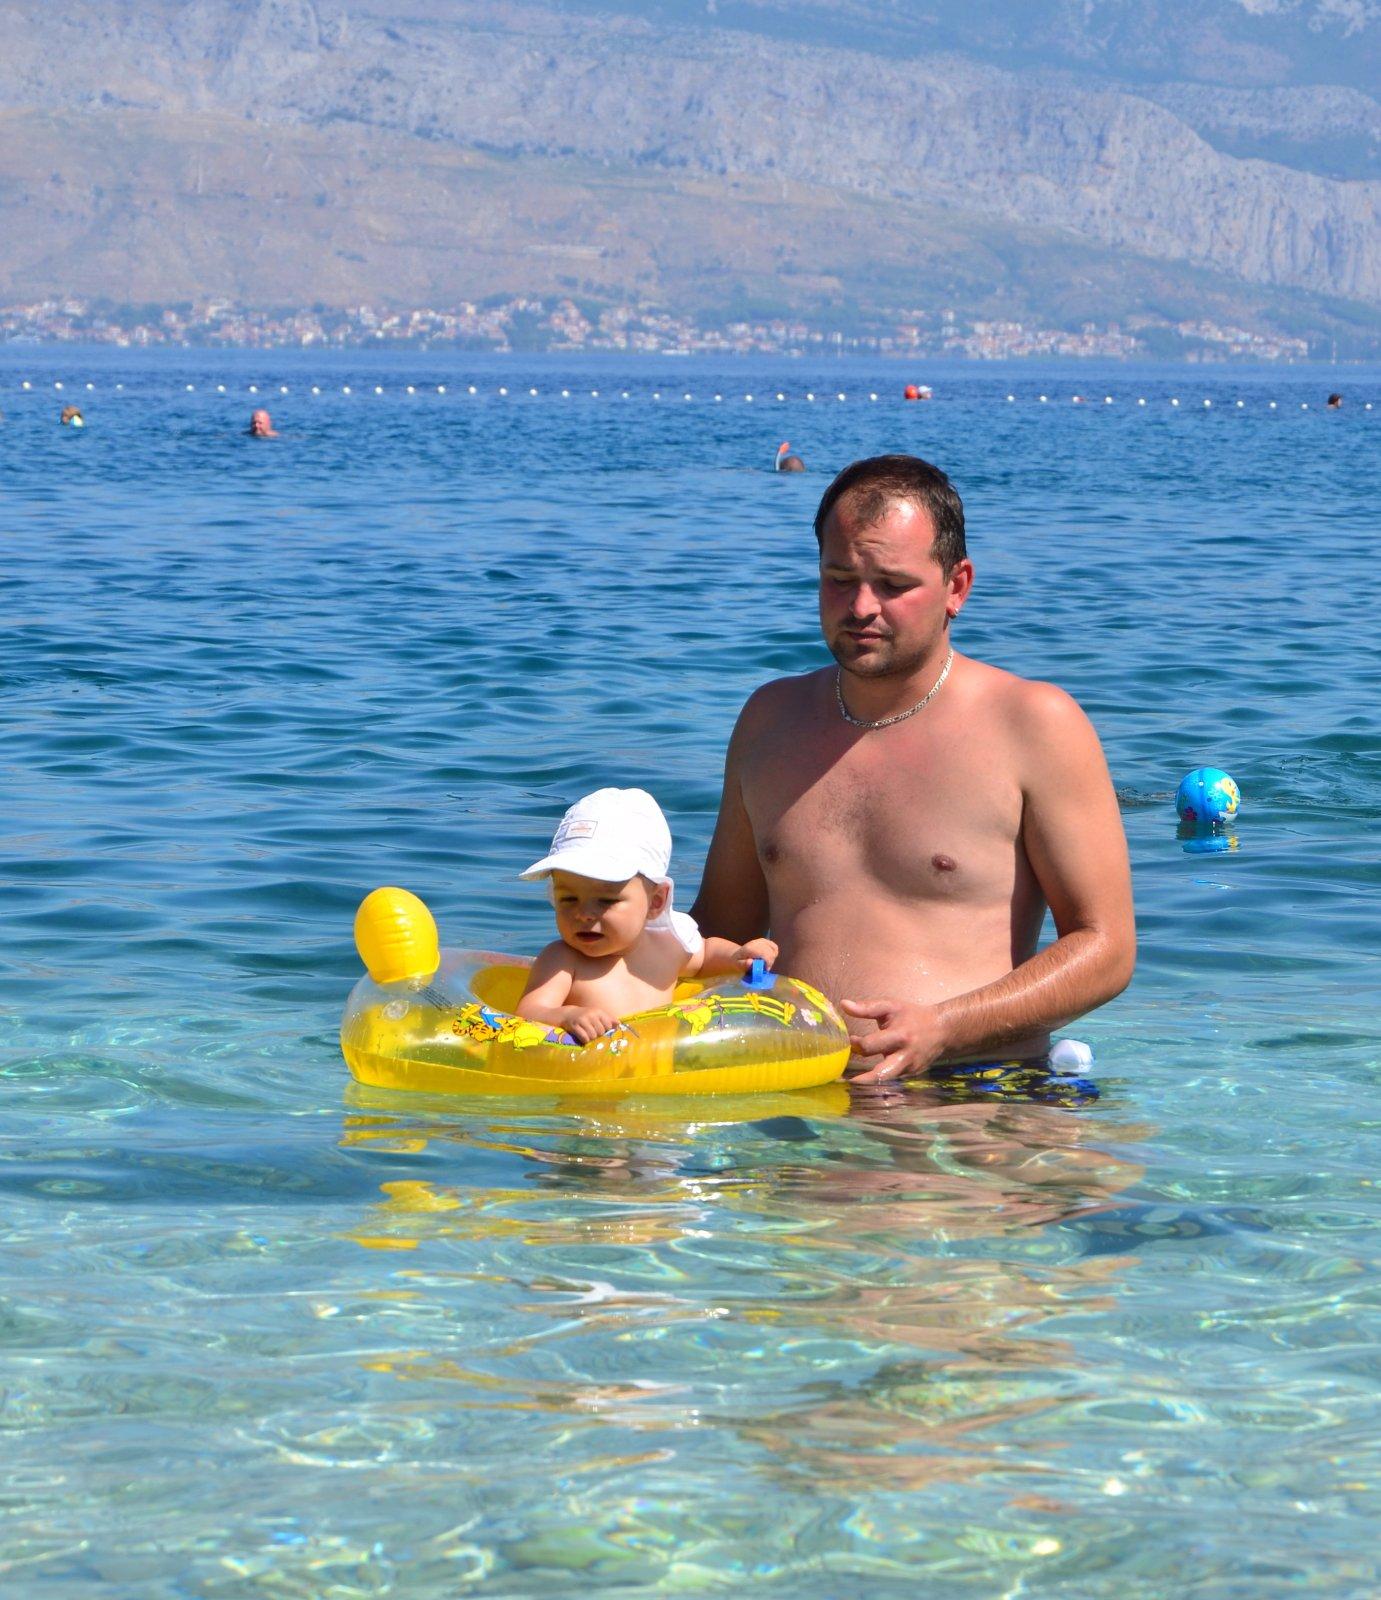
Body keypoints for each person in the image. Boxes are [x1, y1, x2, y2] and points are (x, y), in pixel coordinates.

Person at [690, 454, 1135, 1085]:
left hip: (976, 1092)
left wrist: (946, 1027)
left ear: (957, 587)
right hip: (796, 1091)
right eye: (839, 578)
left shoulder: (1034, 723)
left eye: (893, 586)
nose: (861, 606)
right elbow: (718, 932)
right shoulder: (770, 719)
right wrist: (591, 974)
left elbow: (1106, 949)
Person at [516, 788, 778, 1044]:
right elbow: (528, 1013)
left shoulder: (667, 947)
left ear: (656, 901)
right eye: (568, 899)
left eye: (606, 901)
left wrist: (738, 957)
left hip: (655, 1066)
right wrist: (566, 1016)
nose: (583, 914)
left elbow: (706, 954)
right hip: (590, 1069)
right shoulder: (562, 960)